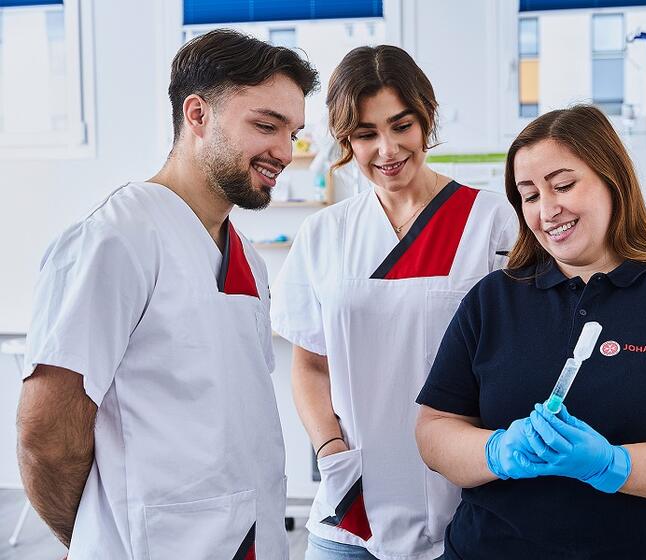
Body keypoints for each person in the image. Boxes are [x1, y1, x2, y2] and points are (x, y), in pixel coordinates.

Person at [16, 30, 318, 559]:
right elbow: (46, 435)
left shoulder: (244, 256)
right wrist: (96, 539)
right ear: (196, 114)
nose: (284, 152)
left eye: (292, 133)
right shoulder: (118, 239)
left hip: (251, 537)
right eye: (266, 126)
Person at [415, 105, 646, 559]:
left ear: (611, 179)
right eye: (530, 195)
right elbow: (435, 431)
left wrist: (614, 465)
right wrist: (498, 451)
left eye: (562, 185)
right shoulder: (492, 301)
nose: (547, 209)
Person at [270, 45, 517, 560]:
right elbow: (311, 365)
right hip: (353, 511)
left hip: (466, 507)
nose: (387, 149)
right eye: (365, 134)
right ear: (346, 141)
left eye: (401, 125)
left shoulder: (493, 223)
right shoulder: (325, 234)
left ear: (427, 118)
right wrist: (330, 449)